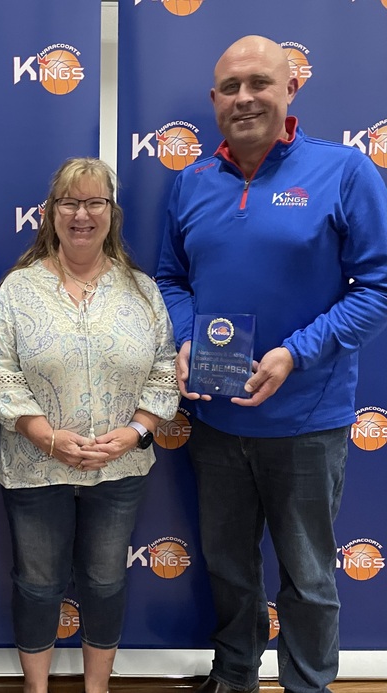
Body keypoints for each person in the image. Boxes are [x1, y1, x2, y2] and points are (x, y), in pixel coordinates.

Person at [156, 35, 387, 693]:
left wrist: (294, 353)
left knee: (308, 575)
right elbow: (171, 278)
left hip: (307, 422)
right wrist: (184, 338)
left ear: (291, 88)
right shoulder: (191, 182)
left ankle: (308, 684)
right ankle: (235, 675)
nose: (245, 98)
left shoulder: (344, 171)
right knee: (228, 567)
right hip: (216, 419)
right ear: (214, 100)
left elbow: (377, 288)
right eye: (230, 87)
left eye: (259, 82)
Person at [0, 157, 179, 693]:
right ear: (51, 213)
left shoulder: (142, 291)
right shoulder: (19, 289)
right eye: (69, 203)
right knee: (38, 583)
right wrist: (45, 436)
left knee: (106, 581)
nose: (82, 215)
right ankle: (36, 688)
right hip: (34, 468)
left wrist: (136, 432)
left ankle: (97, 688)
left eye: (95, 203)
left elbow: (165, 371)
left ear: (112, 213)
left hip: (120, 469)